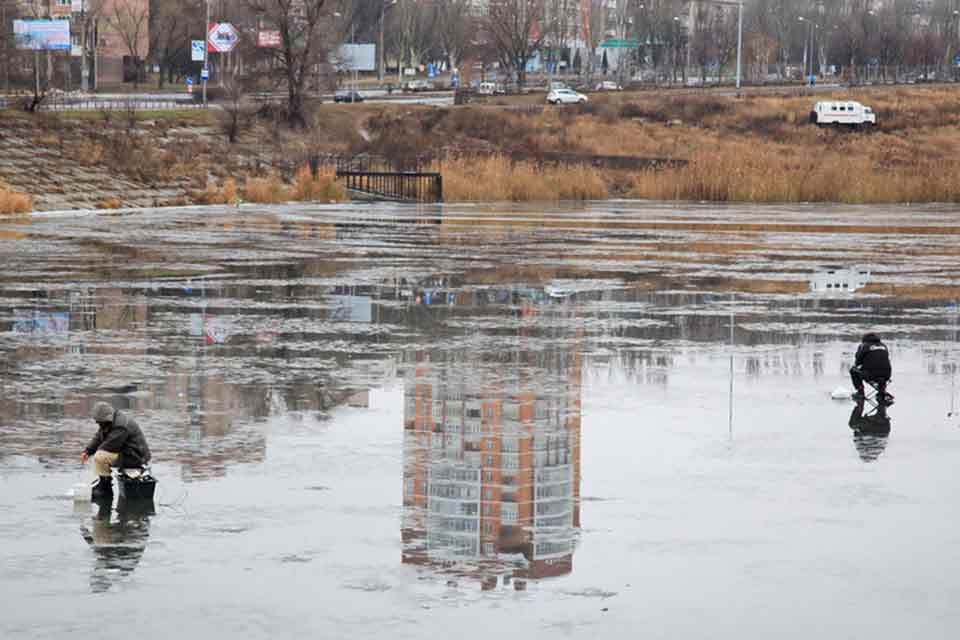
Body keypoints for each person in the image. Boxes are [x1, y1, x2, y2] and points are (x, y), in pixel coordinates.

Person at [81, 402, 152, 500]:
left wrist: (94, 453)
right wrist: (87, 451)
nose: (97, 423)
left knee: (100, 457)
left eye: (99, 421)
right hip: (128, 453)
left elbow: (109, 446)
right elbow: (99, 436)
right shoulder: (111, 422)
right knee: (100, 455)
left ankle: (105, 488)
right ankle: (103, 483)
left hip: (135, 457)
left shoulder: (120, 426)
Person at [850, 333, 892, 402]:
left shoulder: (864, 345)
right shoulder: (884, 346)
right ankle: (881, 392)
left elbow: (857, 362)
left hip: (871, 375)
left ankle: (860, 392)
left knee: (853, 370)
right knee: (881, 370)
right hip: (887, 375)